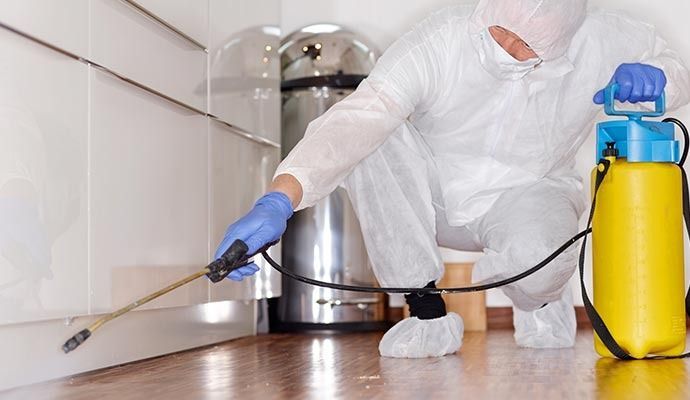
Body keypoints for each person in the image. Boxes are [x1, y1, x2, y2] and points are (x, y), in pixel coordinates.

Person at [215, 0, 690, 358]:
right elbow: (357, 118)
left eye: (527, 46)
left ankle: (540, 302)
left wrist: (657, 78)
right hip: (431, 195)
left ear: (565, 40)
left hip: (533, 191)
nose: (508, 48)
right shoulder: (440, 41)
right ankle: (425, 312)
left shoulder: (603, 38)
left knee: (539, 267)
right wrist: (279, 199)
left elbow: (677, 70)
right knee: (376, 136)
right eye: (500, 31)